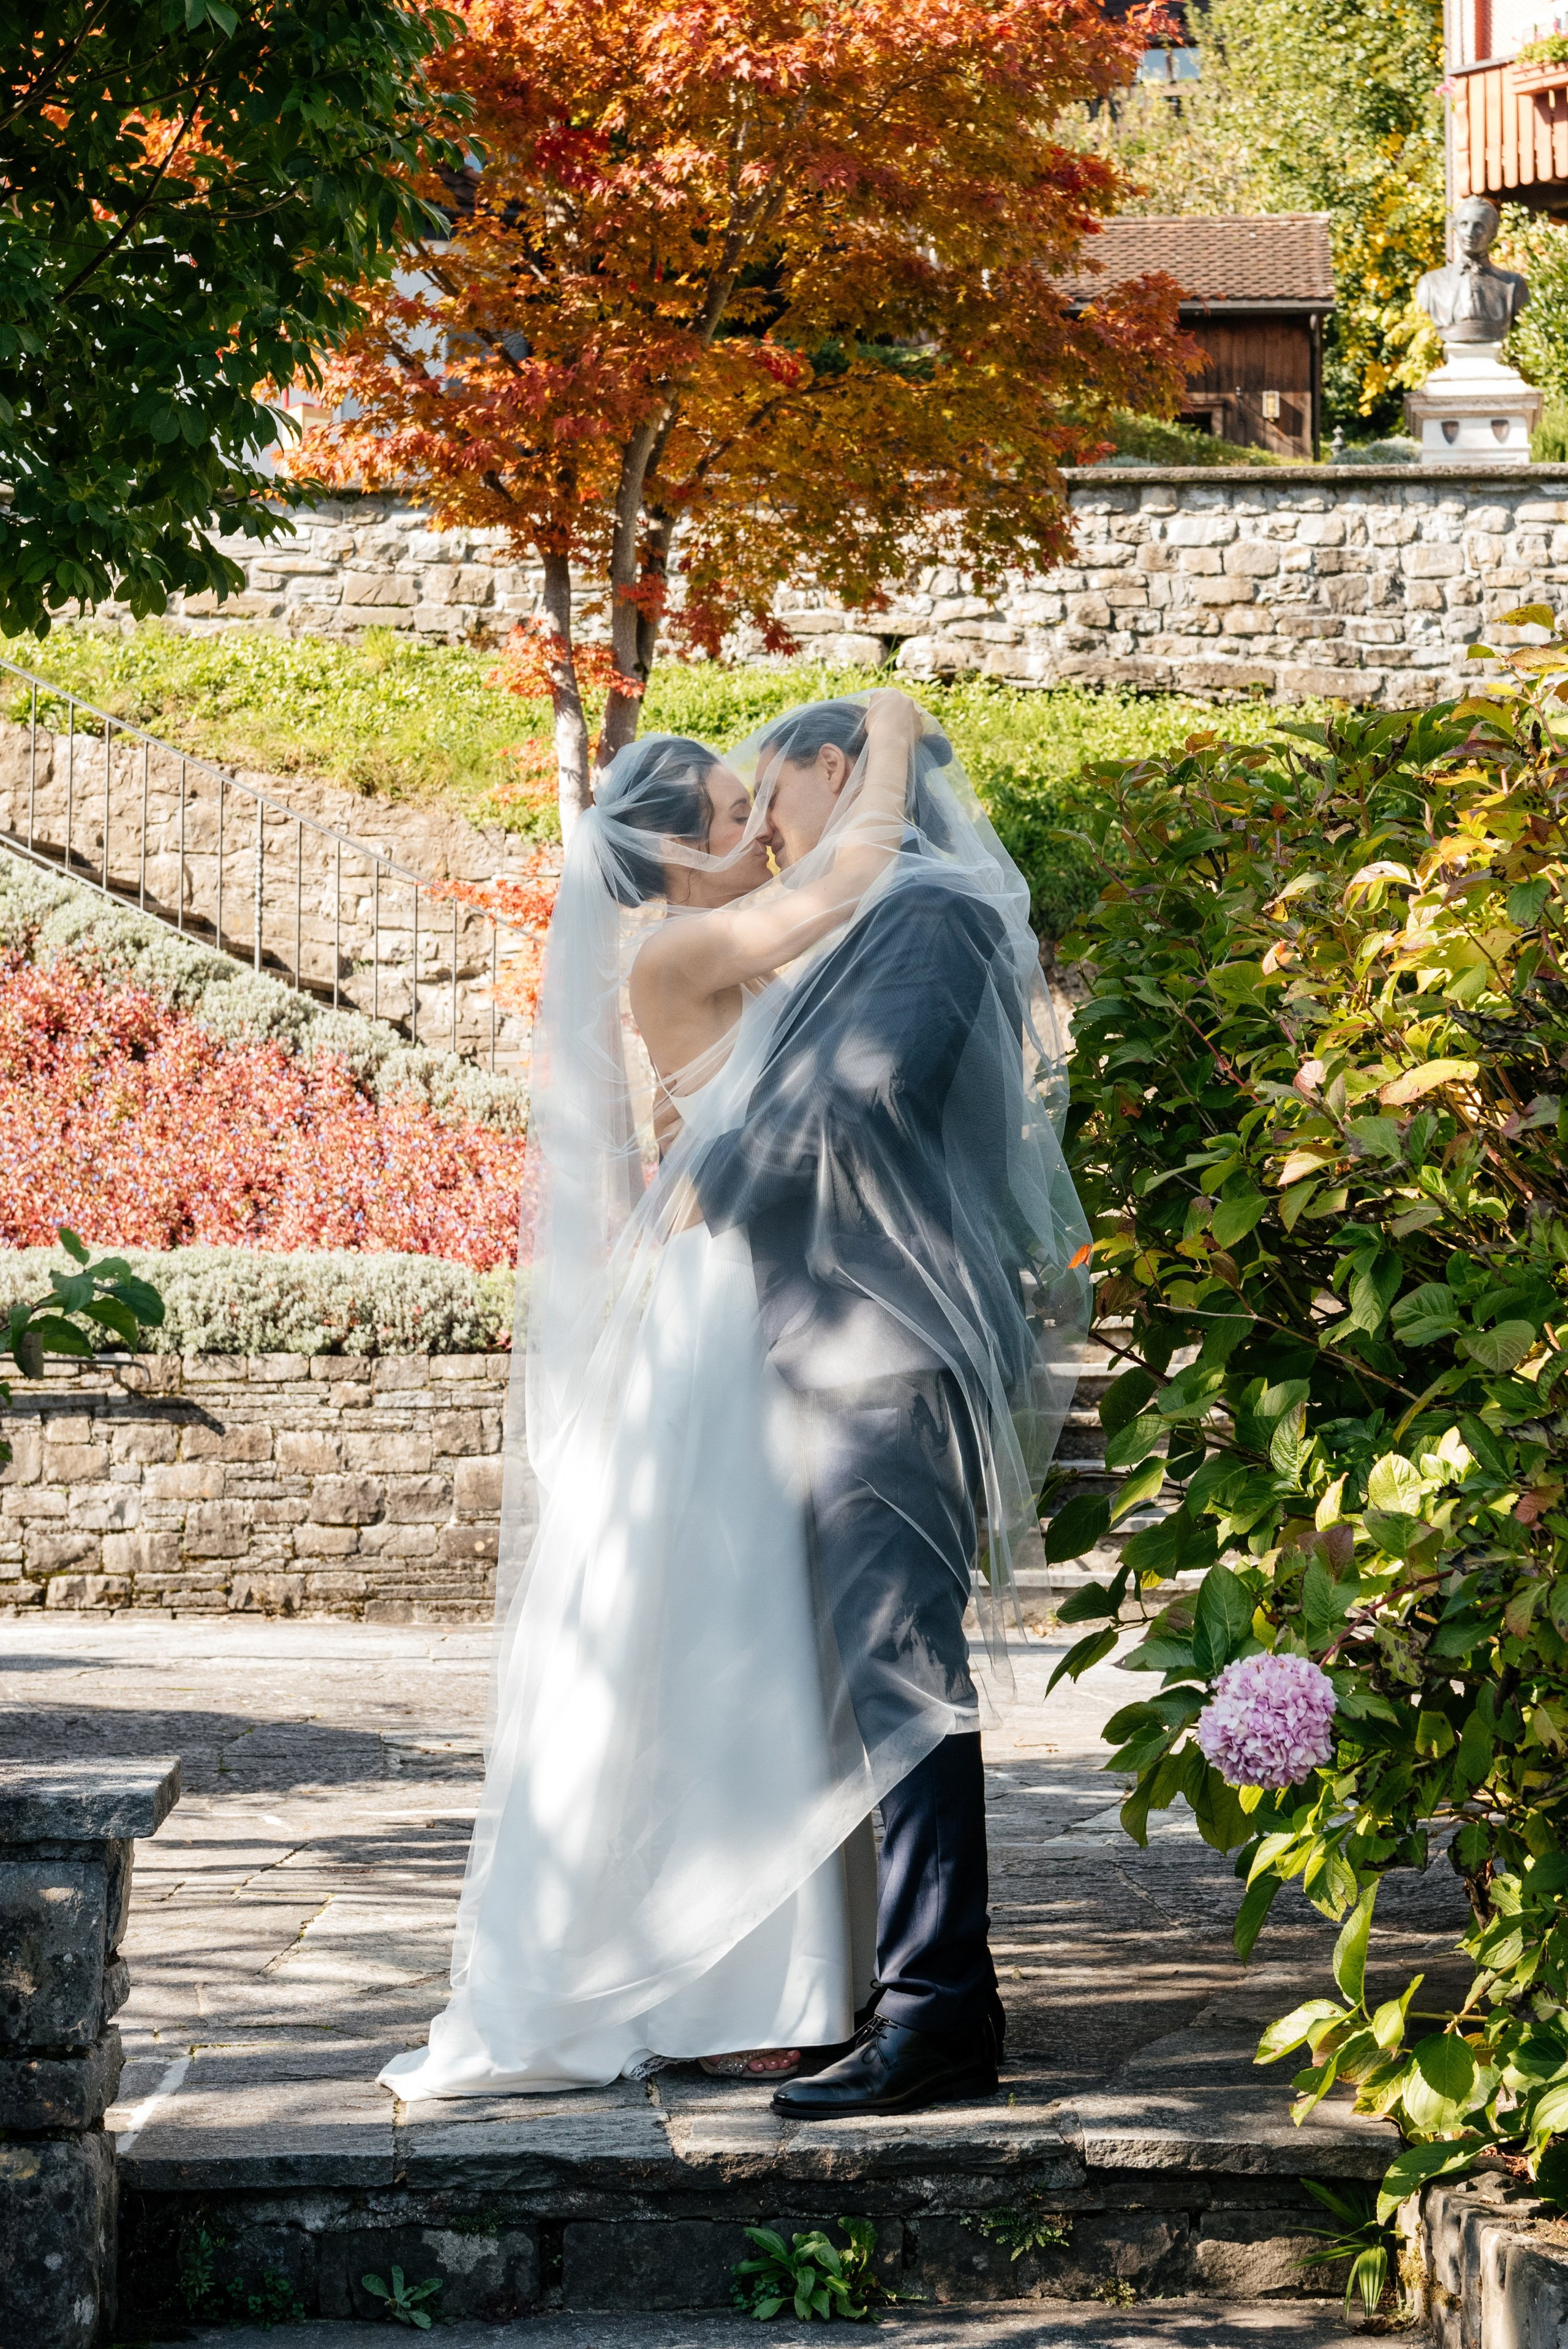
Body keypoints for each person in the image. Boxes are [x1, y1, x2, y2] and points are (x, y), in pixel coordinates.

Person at [379, 693, 933, 2097]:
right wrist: (889, 722)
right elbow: (861, 865)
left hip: (765, 1308)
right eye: (738, 815)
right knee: (734, 1635)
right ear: (682, 854)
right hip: (714, 1321)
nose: (763, 830)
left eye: (761, 807)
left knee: (778, 1636)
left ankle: (806, 1965)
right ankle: (736, 1984)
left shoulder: (735, 936)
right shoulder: (681, 949)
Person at [687, 698, 1091, 2116]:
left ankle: (939, 2013)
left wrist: (723, 1167)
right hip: (832, 1331)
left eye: (772, 785)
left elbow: (870, 1100)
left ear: (834, 765)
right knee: (869, 1671)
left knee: (901, 1669)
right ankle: (897, 1989)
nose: (765, 816)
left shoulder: (928, 911)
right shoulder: (872, 918)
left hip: (884, 1341)